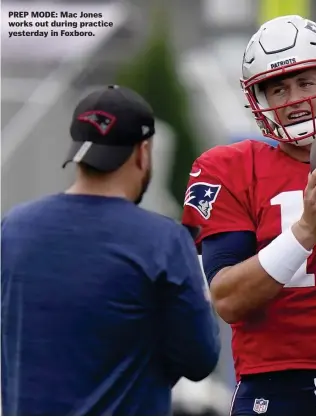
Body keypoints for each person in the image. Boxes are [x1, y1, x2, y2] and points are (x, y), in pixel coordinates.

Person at [182, 15, 316, 416]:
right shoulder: (229, 167)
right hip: (275, 383)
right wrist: (305, 230)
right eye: (278, 88)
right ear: (259, 100)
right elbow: (227, 299)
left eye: (305, 82)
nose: (293, 98)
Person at [1, 85, 220, 416]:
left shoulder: (13, 228)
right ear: (142, 152)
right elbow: (200, 359)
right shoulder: (164, 241)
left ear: (78, 150)